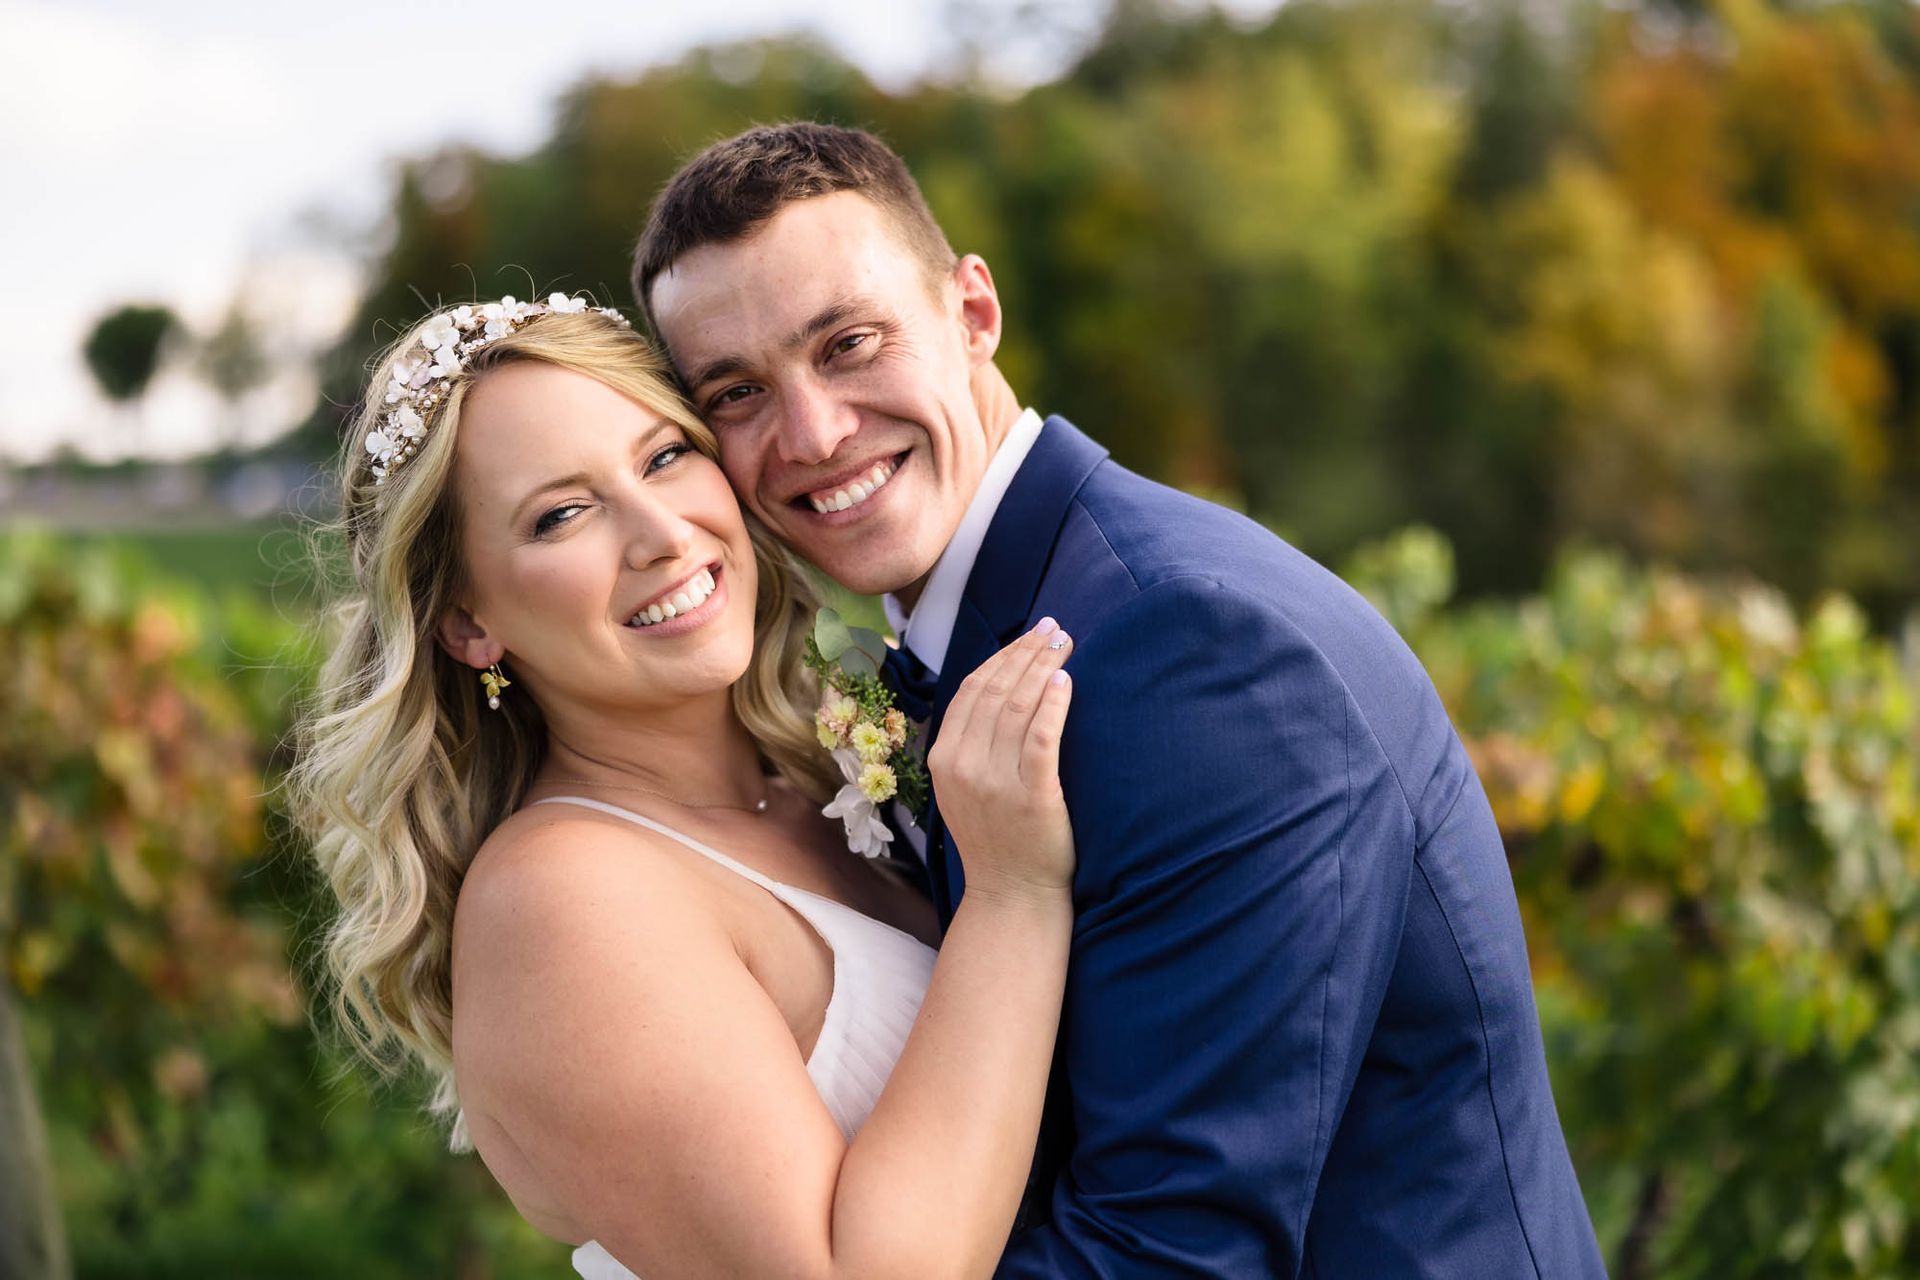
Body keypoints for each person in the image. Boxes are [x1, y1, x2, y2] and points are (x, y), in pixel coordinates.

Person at [634, 123, 1609, 1277]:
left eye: (849, 342)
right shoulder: (1013, 616)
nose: (812, 432)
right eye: (738, 392)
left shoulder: (1184, 649)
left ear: (973, 314)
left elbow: (1173, 1249)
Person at [290, 294, 1085, 1279]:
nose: (662, 530)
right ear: (467, 623)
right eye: (561, 513)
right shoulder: (562, 899)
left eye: (664, 455)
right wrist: (1014, 895)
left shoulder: (819, 769)